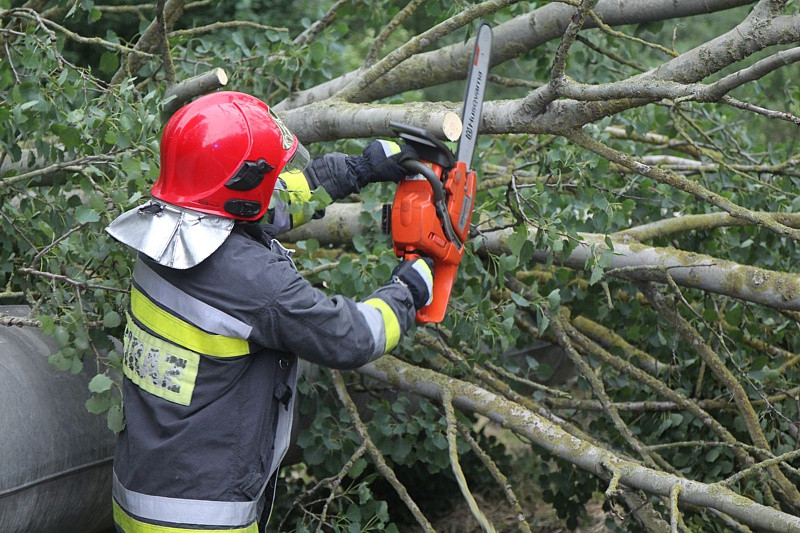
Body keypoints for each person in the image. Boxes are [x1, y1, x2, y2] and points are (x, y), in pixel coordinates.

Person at [104, 90, 433, 532]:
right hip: (202, 520)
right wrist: (411, 287)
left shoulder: (163, 232)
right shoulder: (256, 284)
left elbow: (263, 206)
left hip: (140, 496)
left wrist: (357, 169)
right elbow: (350, 337)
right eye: (270, 172)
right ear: (239, 185)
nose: (278, 179)